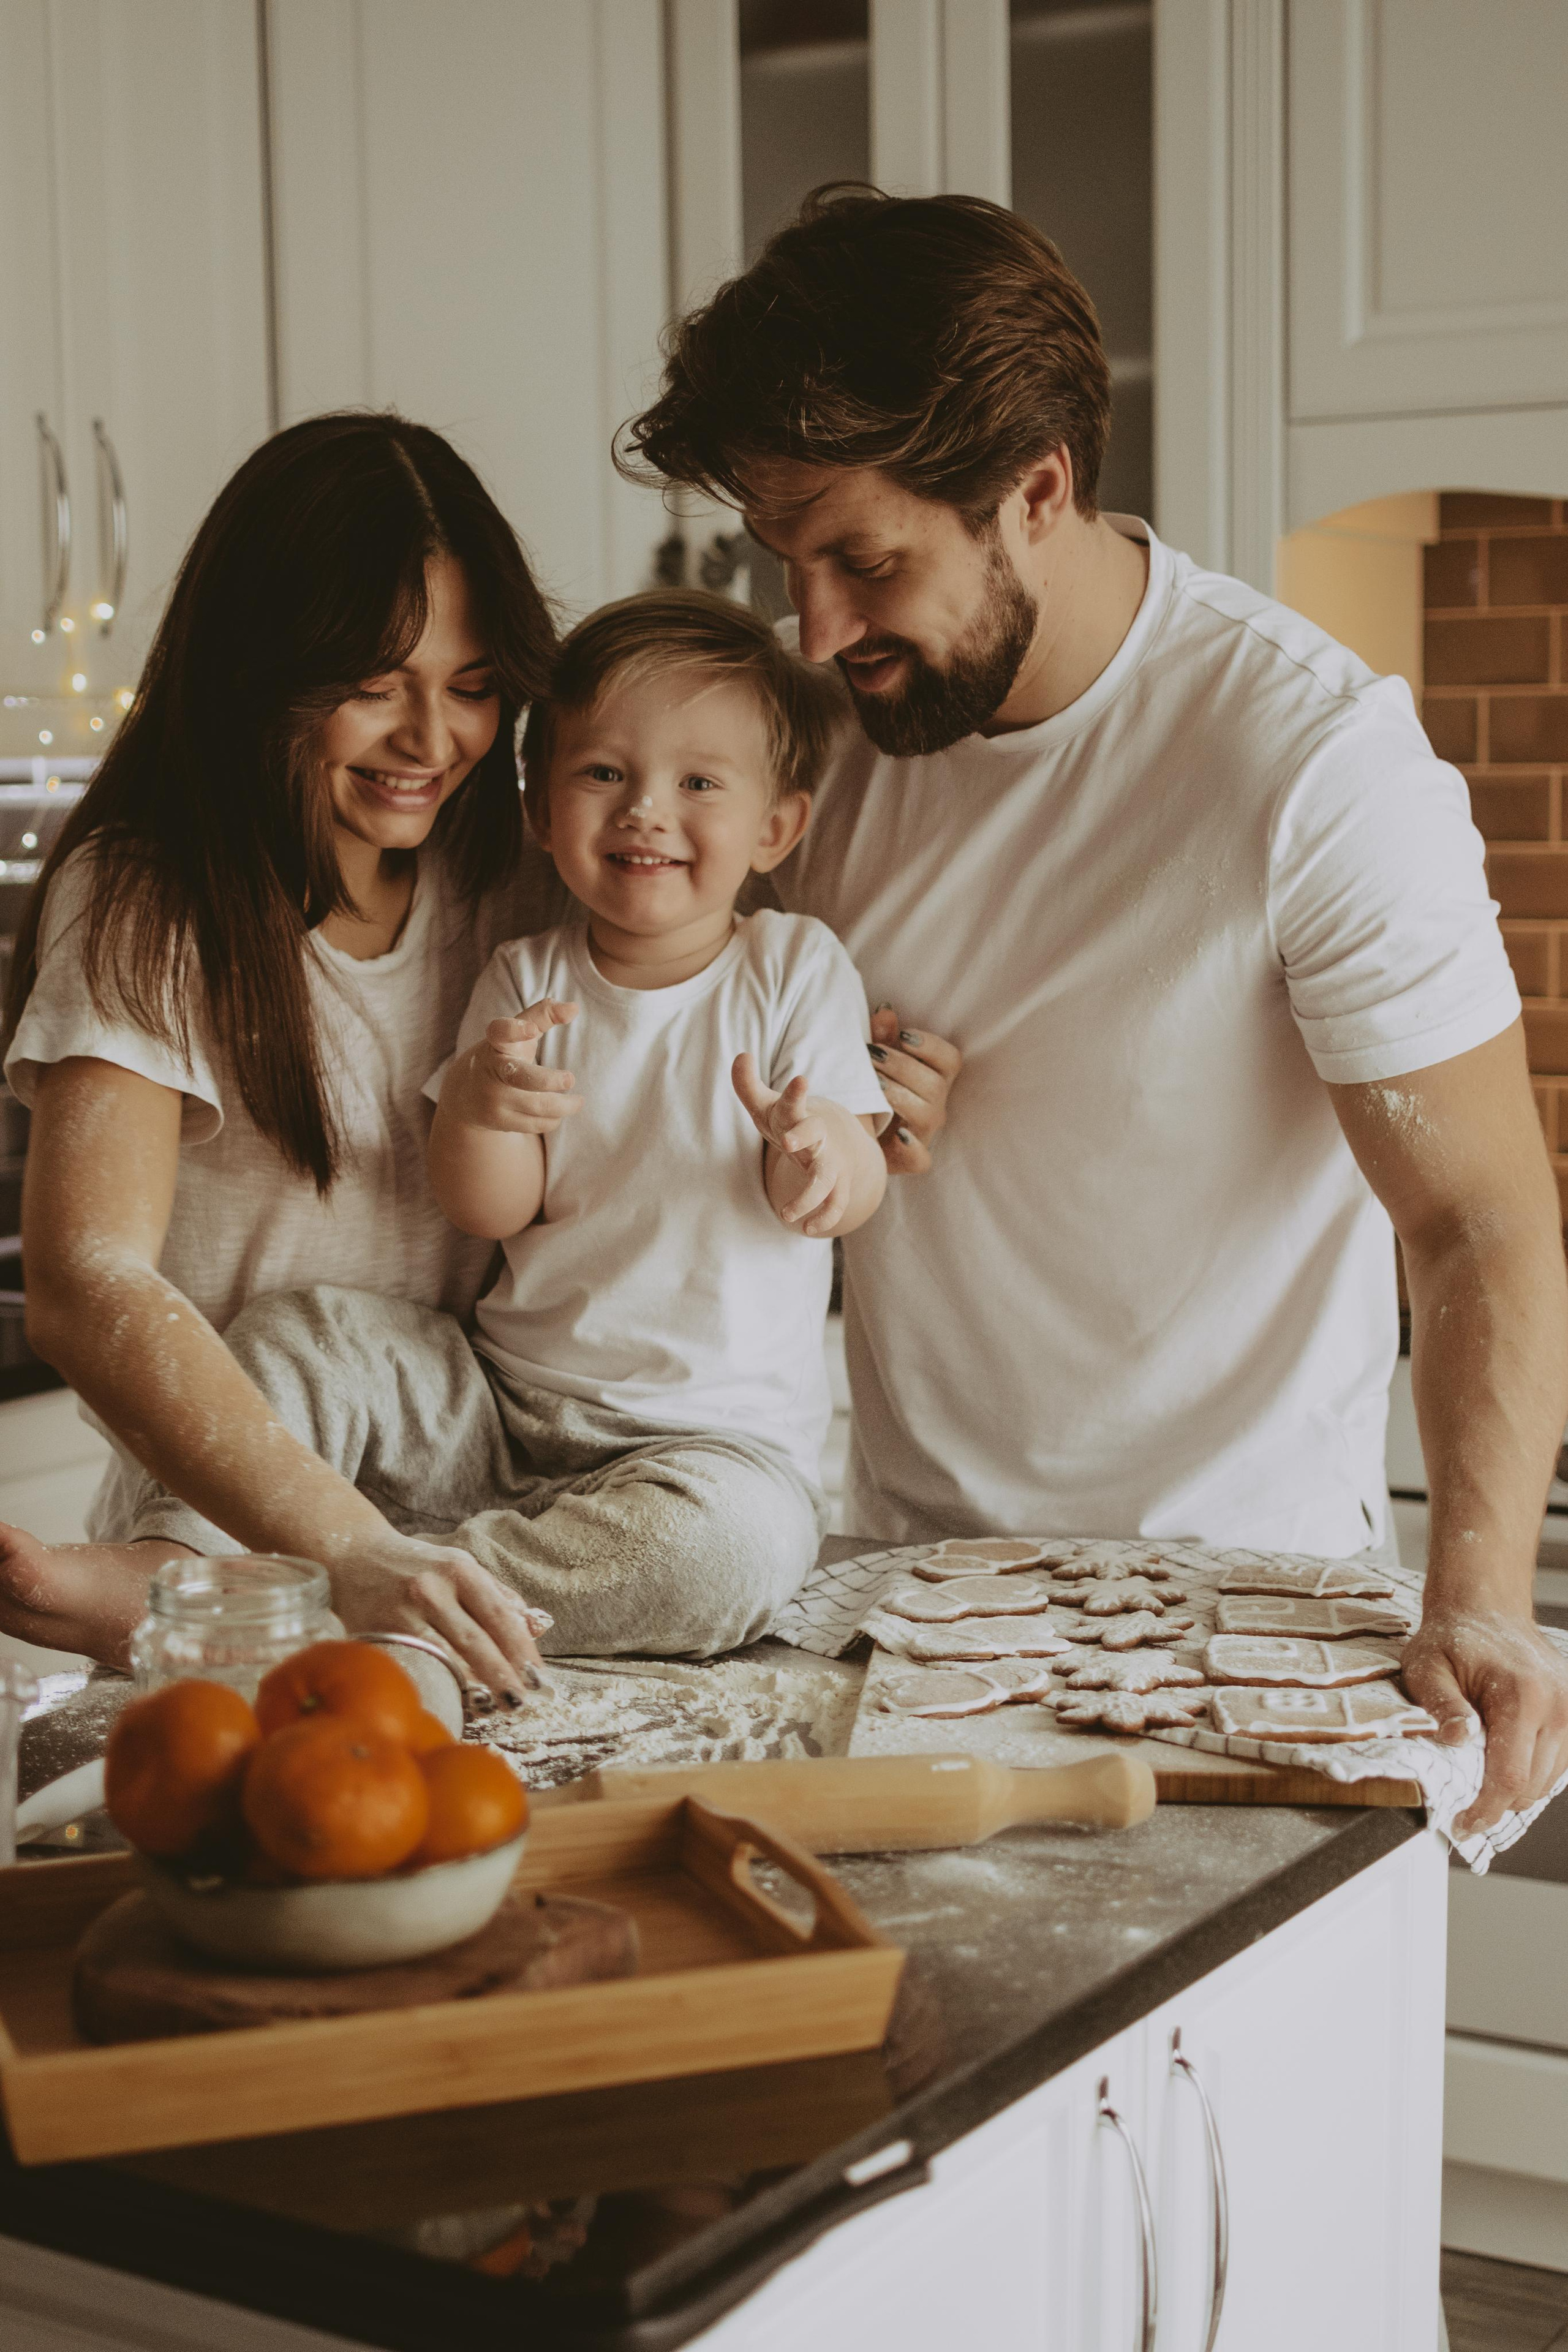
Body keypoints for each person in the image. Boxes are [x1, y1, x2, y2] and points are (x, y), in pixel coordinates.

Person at [620, 184, 1568, 1834]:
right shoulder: (819, 760)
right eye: (790, 563)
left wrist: (1479, 1591)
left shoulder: (1310, 766)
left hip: (1248, 1639)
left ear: (1035, 491)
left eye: (863, 560)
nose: (818, 628)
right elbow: (682, 1061)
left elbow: (1478, 1217)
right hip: (903, 1623)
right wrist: (821, 1101)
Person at [92, 590, 888, 1654]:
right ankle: (180, 1564)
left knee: (735, 1556)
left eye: (699, 783)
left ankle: (371, 1587)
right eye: (604, 773)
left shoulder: (794, 967)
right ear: (538, 808)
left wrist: (817, 1155)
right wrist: (476, 1105)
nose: (646, 808)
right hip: (500, 1401)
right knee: (302, 1332)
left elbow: (841, 1199)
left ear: (775, 827)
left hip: (706, 1448)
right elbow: (491, 1205)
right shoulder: (527, 972)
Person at [0, 412, 557, 1698]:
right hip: (236, 1508)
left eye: (472, 687)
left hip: (473, 1483)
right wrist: (350, 1550)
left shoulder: (516, 878)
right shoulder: (150, 894)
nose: (433, 740)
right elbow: (87, 1283)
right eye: (375, 684)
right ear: (262, 670)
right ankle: (193, 1592)